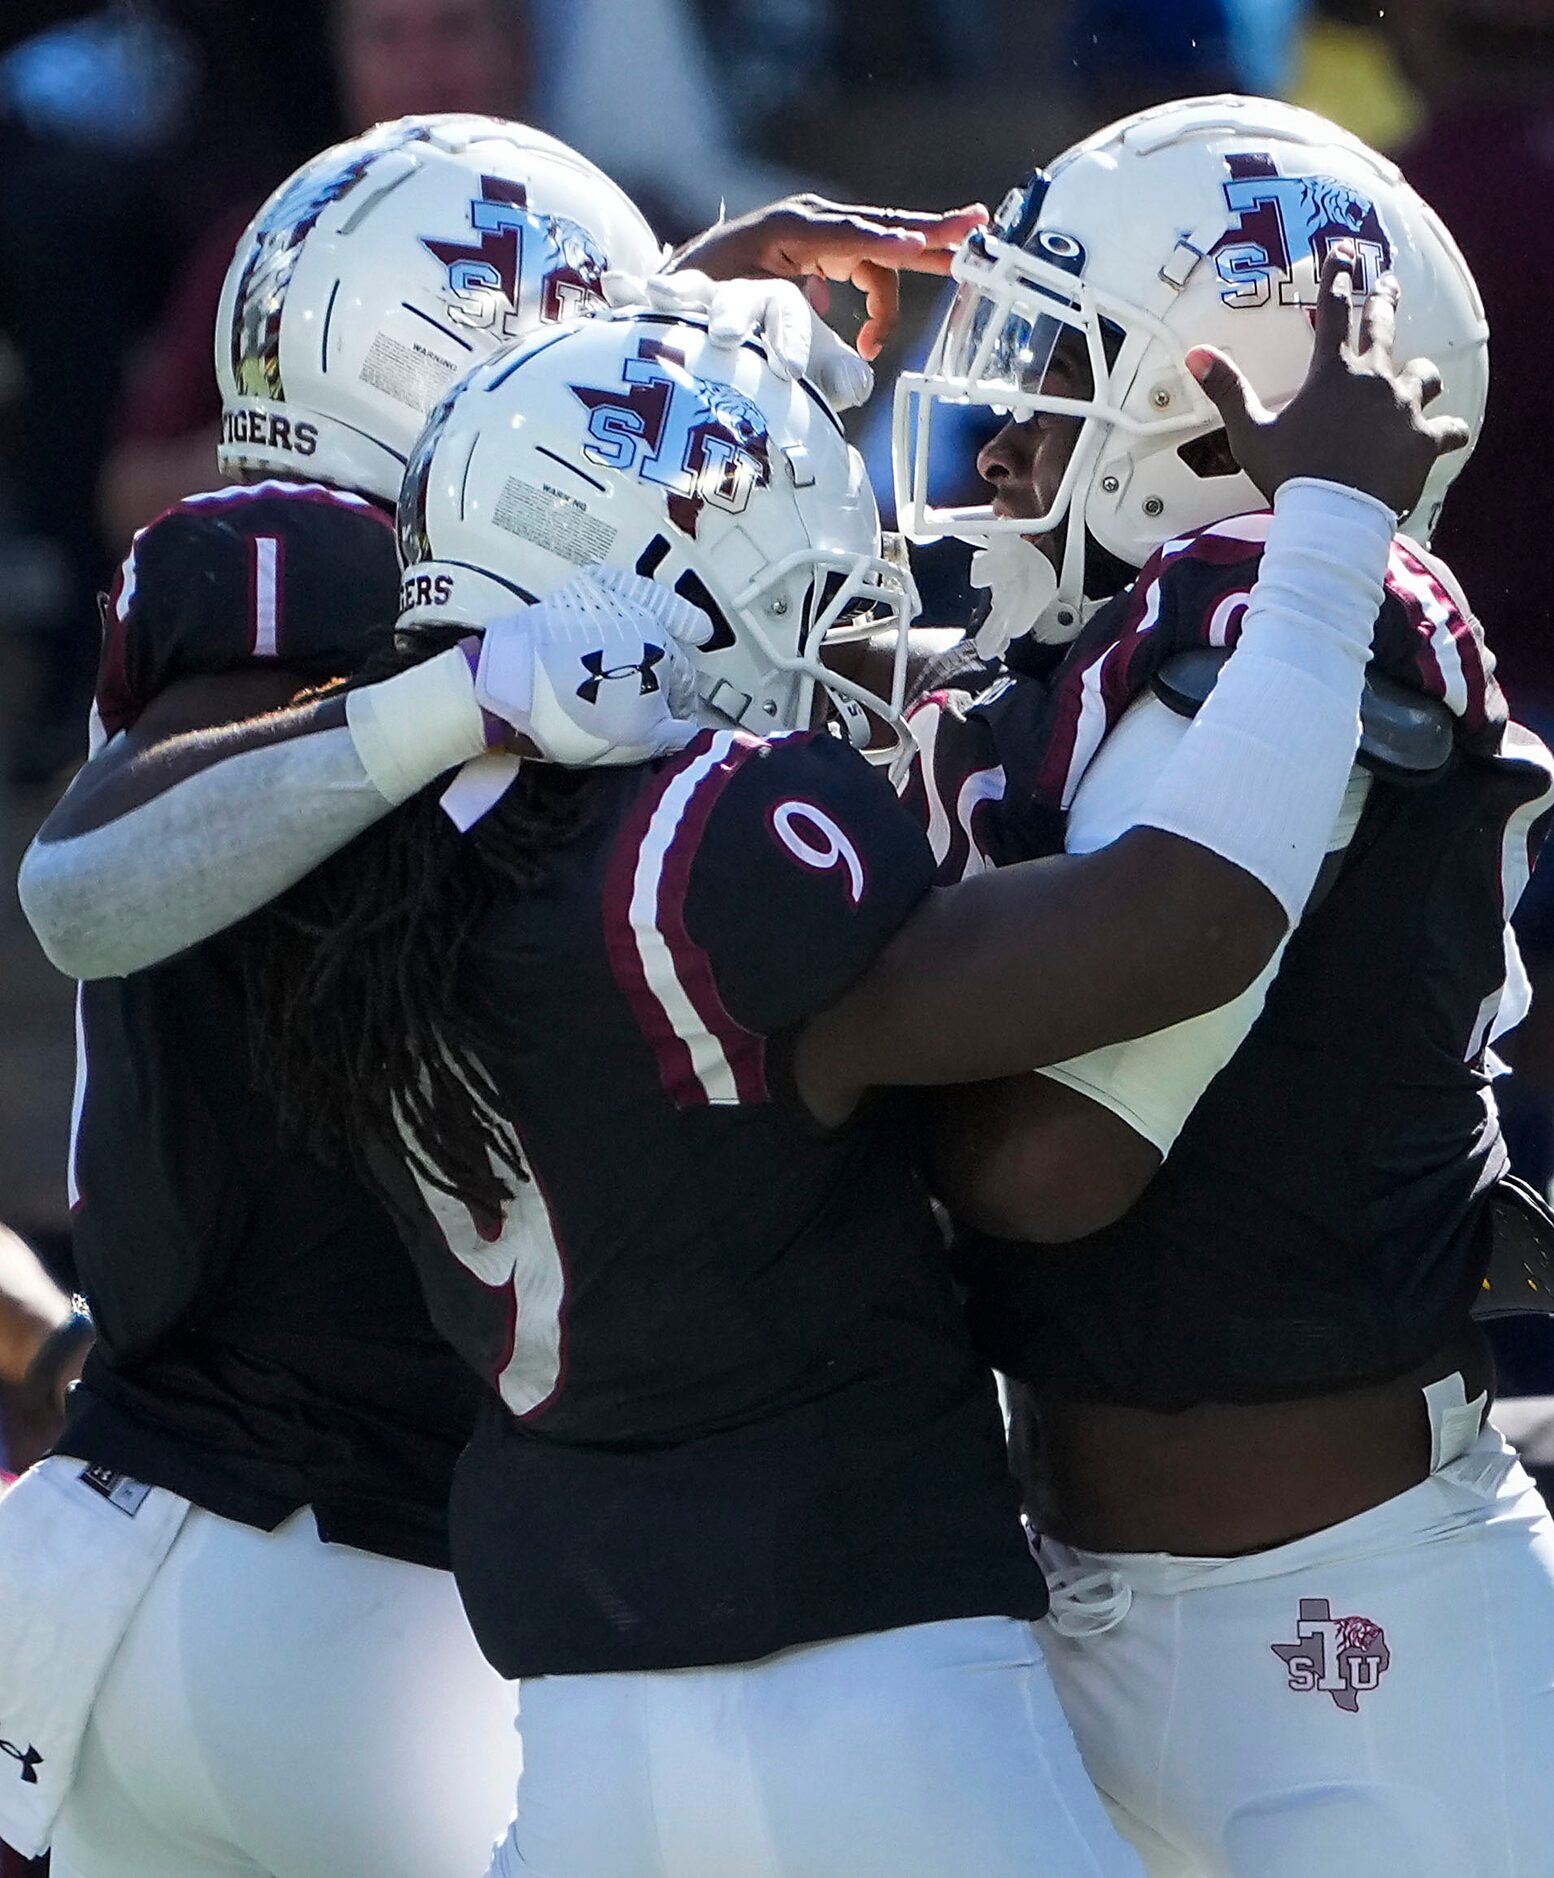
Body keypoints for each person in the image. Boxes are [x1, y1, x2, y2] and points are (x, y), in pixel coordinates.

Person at [155, 270, 1441, 1875]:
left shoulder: (374, 866)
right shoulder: (703, 849)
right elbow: (1180, 922)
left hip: (583, 1735)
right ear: (648, 574)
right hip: (877, 1698)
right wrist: (1325, 541)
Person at [891, 95, 1554, 1875]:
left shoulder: (1292, 615)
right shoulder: (1086, 660)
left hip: (1358, 1643)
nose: (1004, 439)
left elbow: (1051, 1162)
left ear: (1201, 411)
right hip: (1075, 1603)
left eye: (1060, 372)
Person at [0, 115, 667, 1878]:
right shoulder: (302, 579)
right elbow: (86, 886)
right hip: (363, 1606)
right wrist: (473, 692)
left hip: (141, 1555)